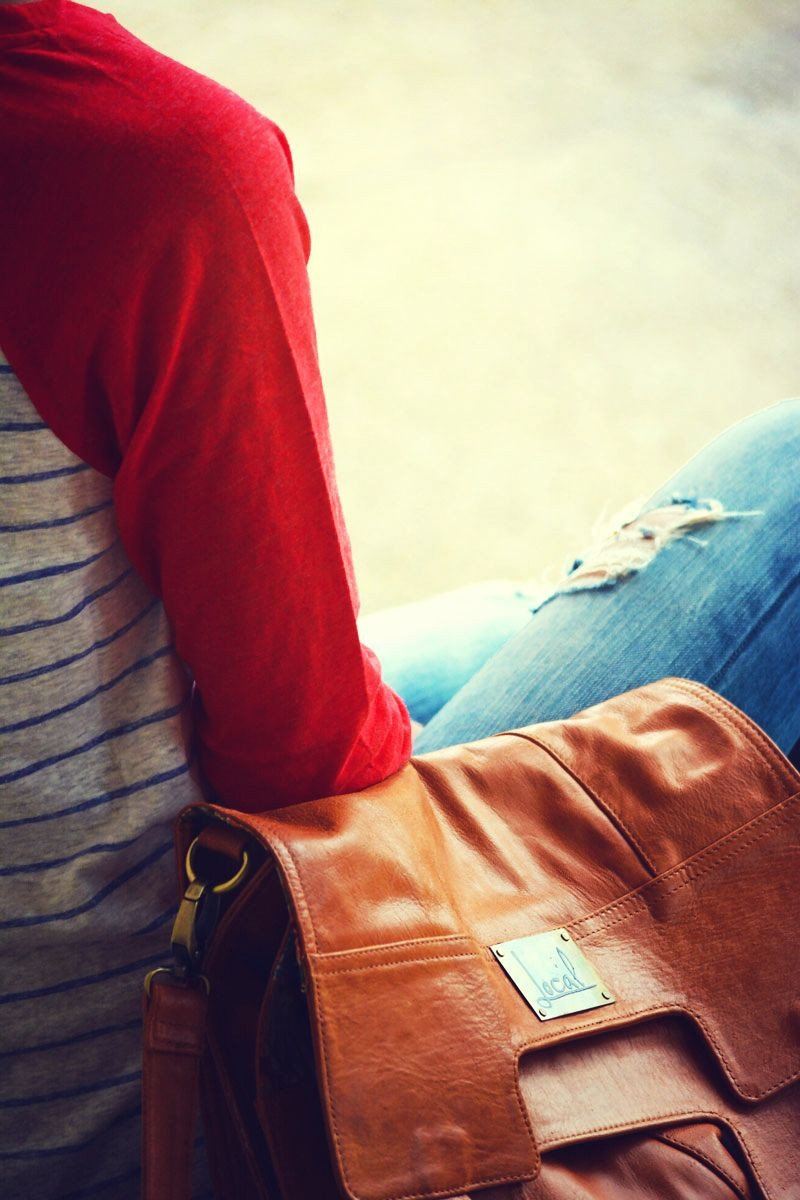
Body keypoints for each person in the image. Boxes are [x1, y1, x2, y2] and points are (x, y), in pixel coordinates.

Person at [0, 2, 797, 1198]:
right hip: (159, 1076)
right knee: (781, 486)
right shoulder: (127, 163)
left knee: (508, 617)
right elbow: (307, 757)